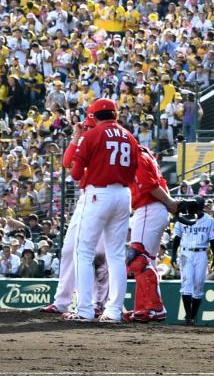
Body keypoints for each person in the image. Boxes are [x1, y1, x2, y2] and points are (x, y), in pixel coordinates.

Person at [63, 98, 139, 323]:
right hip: (123, 194)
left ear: (94, 117)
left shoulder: (92, 135)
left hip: (98, 194)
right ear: (115, 115)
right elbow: (133, 171)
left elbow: (75, 174)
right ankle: (114, 311)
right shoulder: (130, 137)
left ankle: (85, 310)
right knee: (116, 255)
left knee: (84, 252)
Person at [40, 114, 108, 316]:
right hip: (86, 198)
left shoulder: (101, 142)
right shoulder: (86, 140)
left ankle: (99, 304)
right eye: (85, 127)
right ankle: (62, 302)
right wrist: (76, 136)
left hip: (104, 196)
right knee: (69, 250)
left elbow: (74, 171)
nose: (86, 129)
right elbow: (67, 162)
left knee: (100, 256)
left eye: (89, 126)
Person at [125, 145, 177, 323]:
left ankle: (155, 307)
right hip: (153, 209)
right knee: (146, 261)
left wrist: (170, 203)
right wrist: (169, 204)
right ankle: (143, 308)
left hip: (148, 208)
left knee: (138, 259)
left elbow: (149, 186)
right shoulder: (146, 155)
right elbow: (158, 183)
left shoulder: (137, 156)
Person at [172, 198, 214, 326]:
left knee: (199, 284)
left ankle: (192, 316)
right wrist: (172, 254)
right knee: (187, 283)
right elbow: (177, 238)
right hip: (186, 253)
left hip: (201, 253)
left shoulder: (209, 220)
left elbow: (213, 241)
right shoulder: (183, 219)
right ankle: (189, 317)